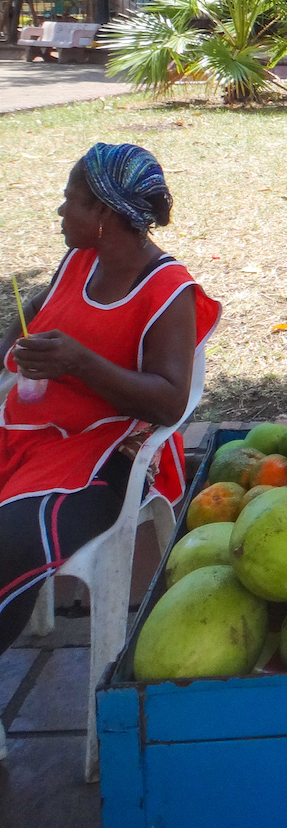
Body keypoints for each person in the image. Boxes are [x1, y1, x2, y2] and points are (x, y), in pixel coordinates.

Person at [0, 145, 220, 654]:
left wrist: (79, 363)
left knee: (11, 541)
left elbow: (168, 403)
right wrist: (19, 343)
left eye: (70, 201)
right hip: (32, 436)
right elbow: (36, 307)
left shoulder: (167, 289)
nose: (60, 212)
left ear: (104, 212)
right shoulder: (80, 261)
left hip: (109, 459)